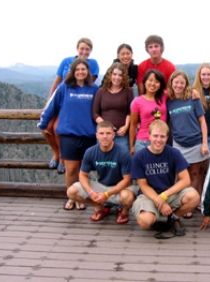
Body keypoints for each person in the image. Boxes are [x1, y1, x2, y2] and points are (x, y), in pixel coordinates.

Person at [38, 58, 98, 210]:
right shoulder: (64, 88)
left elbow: (99, 110)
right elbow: (52, 106)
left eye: (83, 69)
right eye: (77, 69)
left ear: (88, 72)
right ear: (73, 72)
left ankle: (81, 197)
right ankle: (71, 197)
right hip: (68, 135)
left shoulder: (94, 89)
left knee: (83, 170)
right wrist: (43, 123)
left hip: (88, 136)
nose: (80, 72)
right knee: (71, 169)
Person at [131, 120, 200, 236]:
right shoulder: (139, 156)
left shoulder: (174, 153)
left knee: (194, 197)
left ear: (167, 137)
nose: (158, 140)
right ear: (149, 136)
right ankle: (155, 217)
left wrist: (164, 196)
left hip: (168, 193)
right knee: (144, 222)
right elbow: (143, 185)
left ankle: (173, 218)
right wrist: (160, 203)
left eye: (162, 136)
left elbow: (186, 180)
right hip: (148, 195)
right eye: (155, 136)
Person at [43, 38, 99, 174]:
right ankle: (56, 153)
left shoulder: (93, 64)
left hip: (75, 103)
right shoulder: (66, 61)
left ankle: (63, 158)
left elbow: (87, 86)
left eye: (87, 49)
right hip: (62, 98)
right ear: (77, 48)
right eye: (82, 48)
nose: (84, 51)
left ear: (90, 51)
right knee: (47, 127)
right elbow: (56, 83)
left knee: (57, 129)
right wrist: (49, 102)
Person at [67, 121, 138, 223]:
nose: (105, 136)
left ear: (113, 135)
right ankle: (98, 206)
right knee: (71, 192)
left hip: (120, 187)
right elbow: (82, 175)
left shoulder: (123, 152)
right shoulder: (90, 152)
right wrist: (91, 193)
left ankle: (124, 210)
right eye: (101, 133)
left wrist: (107, 194)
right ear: (97, 135)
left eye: (108, 133)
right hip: (101, 184)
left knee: (127, 197)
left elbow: (127, 180)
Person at [166, 70, 210, 218]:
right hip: (178, 143)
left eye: (182, 83)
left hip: (196, 141)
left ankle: (192, 201)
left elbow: (202, 121)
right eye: (176, 82)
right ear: (171, 83)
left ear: (186, 85)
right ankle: (183, 202)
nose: (178, 85)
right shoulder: (169, 101)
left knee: (195, 174)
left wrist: (204, 143)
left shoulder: (193, 98)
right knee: (181, 176)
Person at [93, 62, 134, 152]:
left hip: (121, 135)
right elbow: (95, 113)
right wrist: (107, 126)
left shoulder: (128, 91)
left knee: (122, 161)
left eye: (120, 75)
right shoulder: (101, 91)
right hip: (104, 135)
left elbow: (130, 112)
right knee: (102, 161)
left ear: (124, 77)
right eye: (114, 74)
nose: (117, 77)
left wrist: (126, 126)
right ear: (110, 75)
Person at [129, 69, 167, 155]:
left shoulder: (164, 96)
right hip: (143, 142)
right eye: (150, 80)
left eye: (157, 81)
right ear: (144, 82)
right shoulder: (137, 101)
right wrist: (131, 146)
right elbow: (133, 125)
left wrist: (193, 91)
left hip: (161, 141)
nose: (153, 84)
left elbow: (179, 91)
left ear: (160, 85)